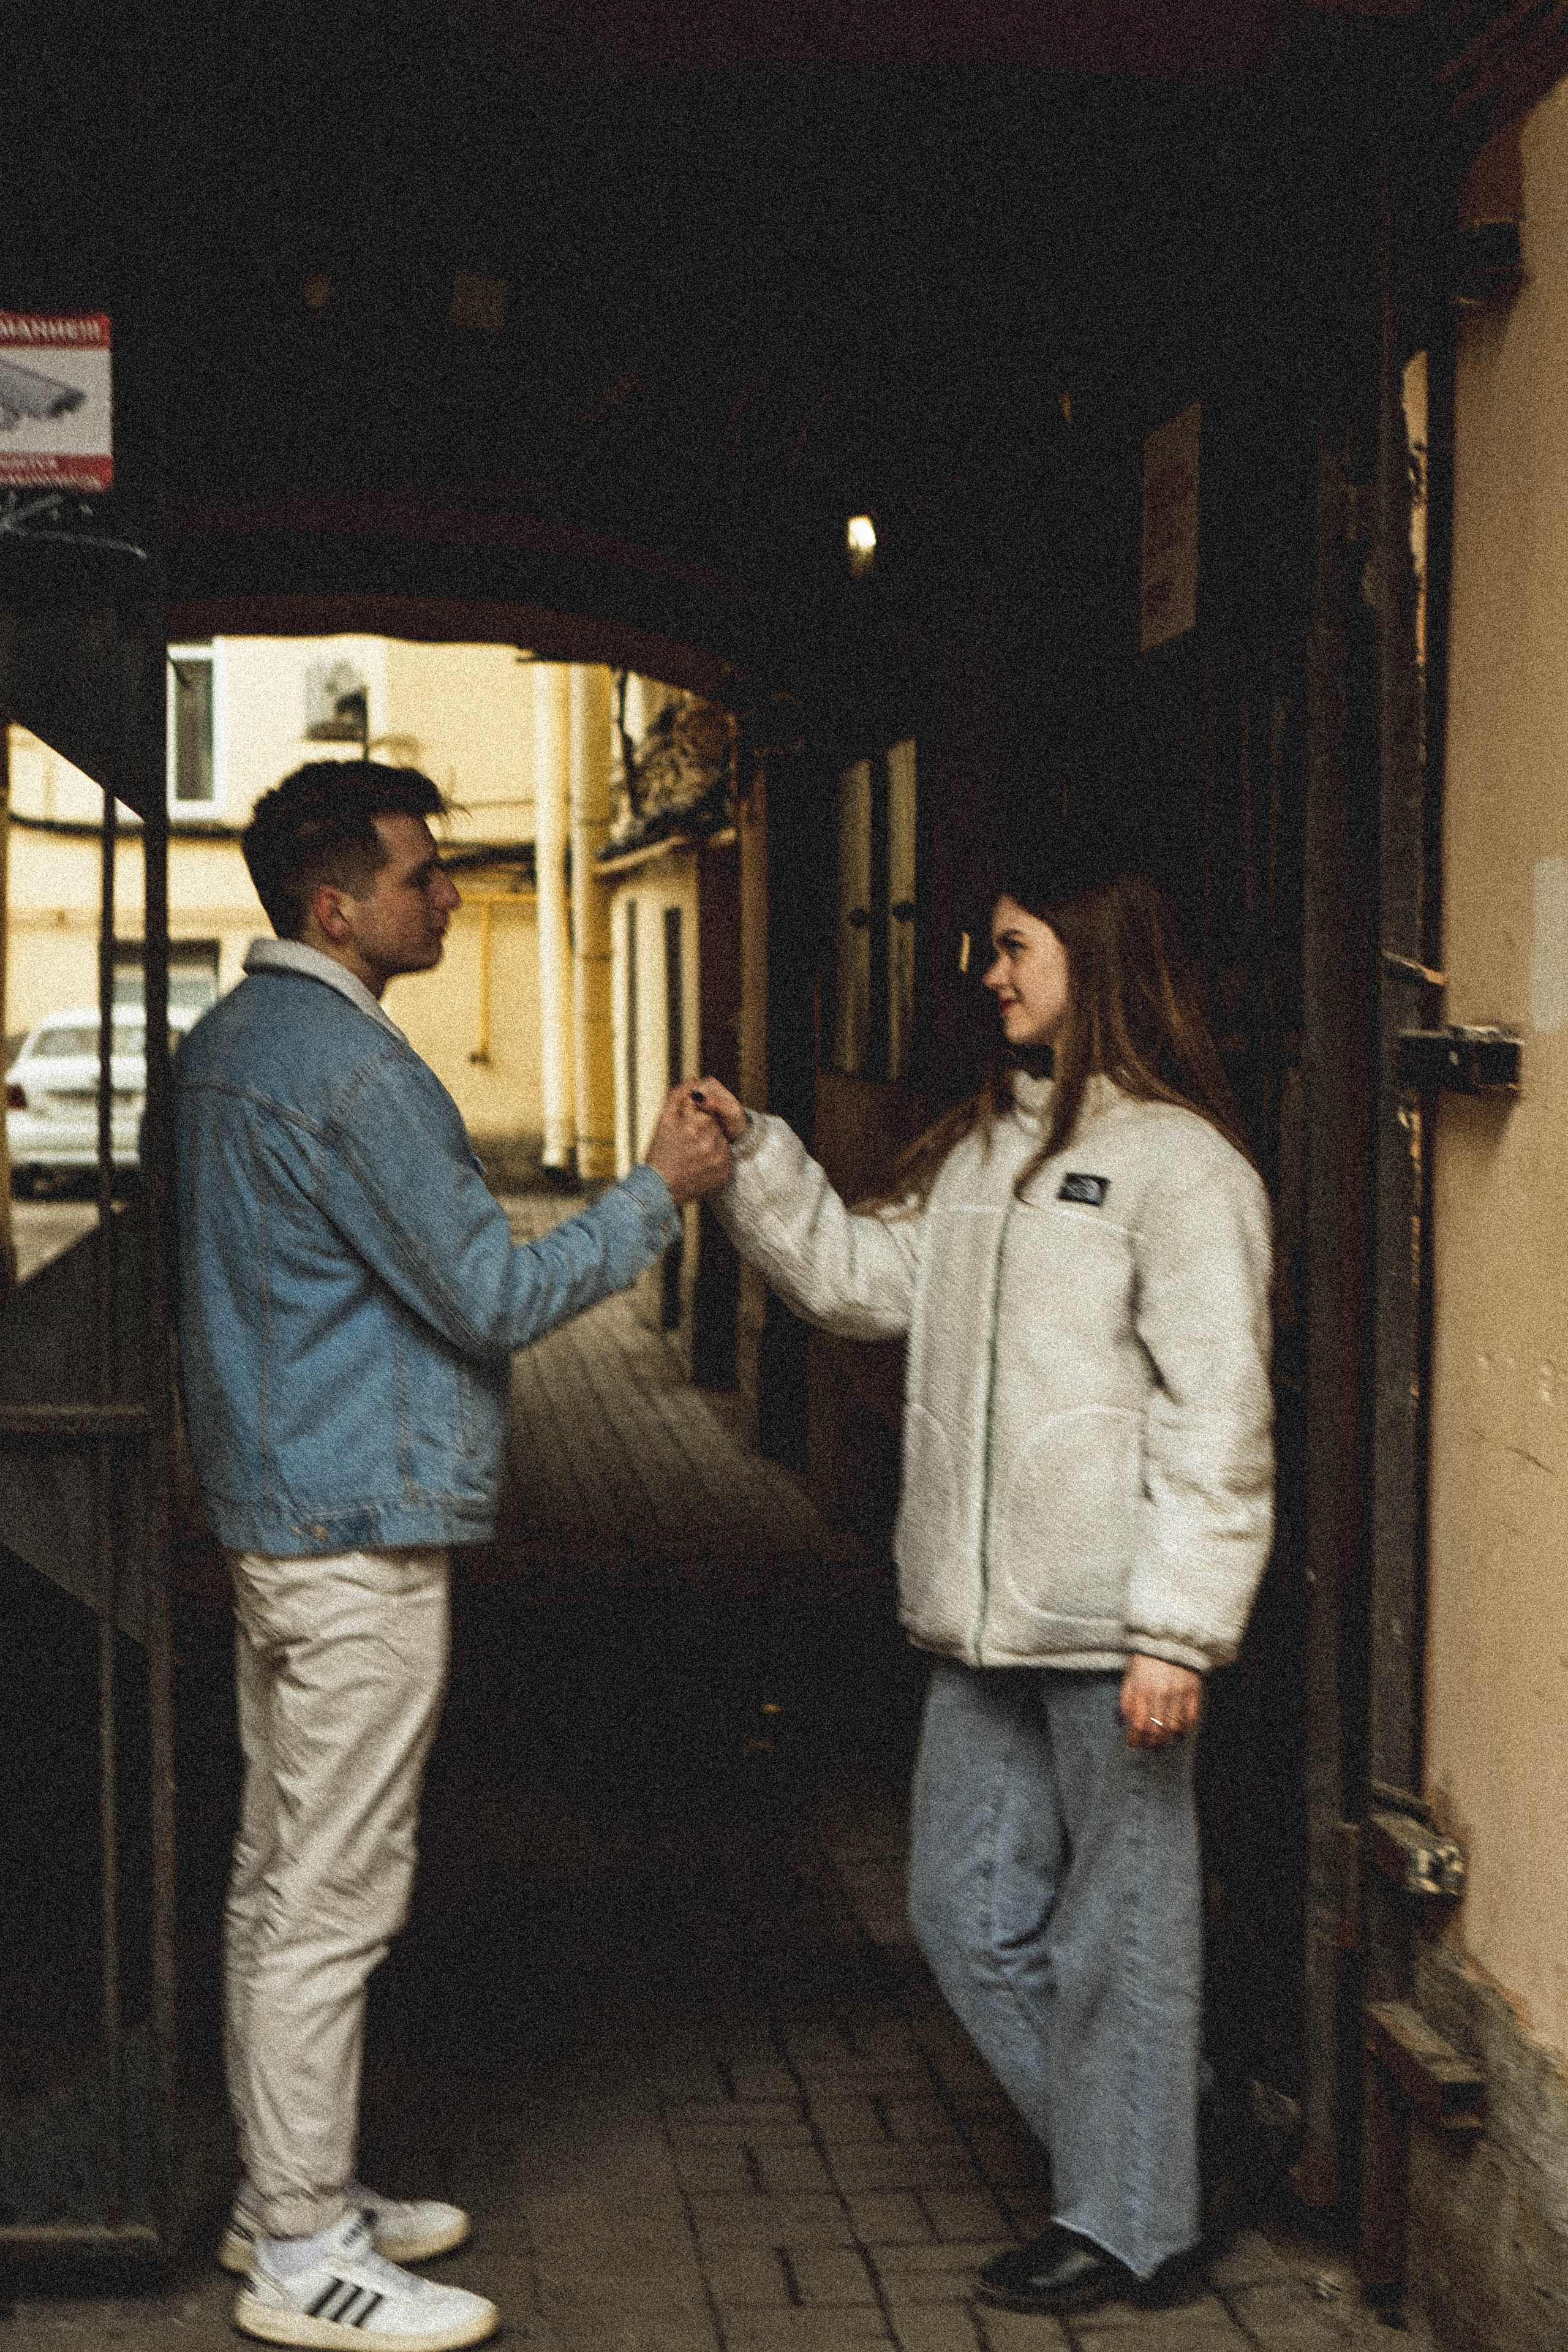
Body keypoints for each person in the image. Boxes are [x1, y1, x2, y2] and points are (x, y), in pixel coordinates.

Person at [173, 760, 731, 2352]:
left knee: (278, 1876)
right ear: (336, 907)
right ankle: (301, 2255)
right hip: (358, 1537)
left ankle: (286, 2192)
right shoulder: (353, 1072)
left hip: (276, 1520)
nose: (449, 894)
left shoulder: (223, 1046)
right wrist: (656, 1193)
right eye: (421, 876)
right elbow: (492, 1294)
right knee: (334, 1894)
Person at [688, 866, 1273, 2317]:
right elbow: (855, 1283)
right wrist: (755, 1159)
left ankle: (1132, 2224)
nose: (990, 975)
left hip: (1113, 1632)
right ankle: (1178, 2143)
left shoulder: (1181, 1168)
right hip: (976, 1622)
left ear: (1096, 956)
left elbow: (1217, 1411)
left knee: (1118, 1939)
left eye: (1013, 948)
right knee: (961, 1914)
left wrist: (1177, 1630)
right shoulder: (981, 1153)